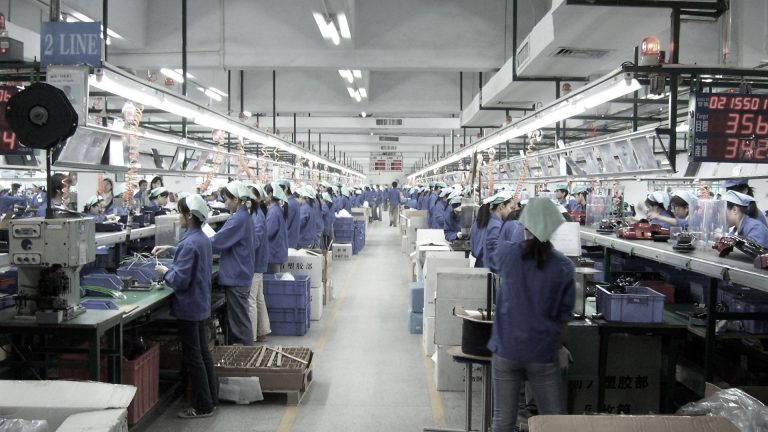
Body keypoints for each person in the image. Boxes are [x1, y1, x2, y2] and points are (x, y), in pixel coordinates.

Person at [488, 197, 574, 432]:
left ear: (523, 225)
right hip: (542, 351)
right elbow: (564, 318)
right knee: (553, 420)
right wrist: (560, 347)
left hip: (506, 348)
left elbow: (490, 258)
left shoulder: (508, 254)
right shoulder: (564, 266)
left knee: (503, 420)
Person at [152, 195, 217, 419]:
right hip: (200, 303)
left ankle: (202, 407)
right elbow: (189, 254)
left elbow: (180, 280)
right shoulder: (201, 238)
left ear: (189, 216)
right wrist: (171, 249)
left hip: (189, 306)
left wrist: (164, 272)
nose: (178, 216)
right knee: (203, 354)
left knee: (193, 357)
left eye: (180, 212)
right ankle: (212, 399)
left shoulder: (190, 243)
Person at [211, 182, 255, 346]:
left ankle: (246, 359)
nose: (225, 203)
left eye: (226, 200)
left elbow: (216, 242)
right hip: (240, 273)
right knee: (239, 320)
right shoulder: (243, 216)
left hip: (237, 276)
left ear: (236, 199)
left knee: (240, 324)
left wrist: (193, 244)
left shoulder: (238, 219)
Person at [247, 184, 271, 344]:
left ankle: (252, 335)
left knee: (251, 300)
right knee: (258, 297)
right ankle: (262, 330)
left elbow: (254, 241)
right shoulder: (258, 213)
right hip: (260, 261)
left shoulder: (256, 216)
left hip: (255, 262)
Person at [481, 191, 516, 273]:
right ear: (501, 207)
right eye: (510, 208)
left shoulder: (494, 221)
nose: (511, 212)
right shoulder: (496, 225)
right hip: (493, 270)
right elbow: (496, 249)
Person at [265, 182, 289, 273]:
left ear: (270, 194)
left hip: (273, 254)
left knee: (273, 283)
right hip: (277, 252)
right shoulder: (277, 208)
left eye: (265, 194)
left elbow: (268, 233)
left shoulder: (273, 211)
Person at [278, 180, 300, 249]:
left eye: (278, 189)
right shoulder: (292, 202)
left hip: (289, 240)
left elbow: (286, 224)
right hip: (292, 239)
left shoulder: (290, 204)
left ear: (286, 188)